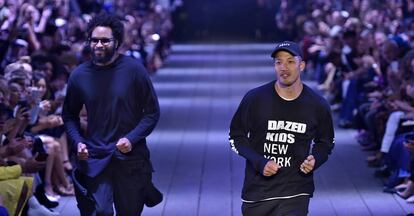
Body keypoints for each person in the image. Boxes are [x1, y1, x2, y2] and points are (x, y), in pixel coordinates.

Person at [62, 13, 161, 216]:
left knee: (129, 211)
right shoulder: (79, 75)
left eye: (105, 41)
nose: (99, 45)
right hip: (95, 155)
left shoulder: (134, 70)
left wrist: (131, 139)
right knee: (101, 211)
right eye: (94, 40)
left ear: (117, 42)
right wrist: (77, 142)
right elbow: (70, 115)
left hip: (129, 156)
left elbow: (151, 112)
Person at [229, 41, 335, 216]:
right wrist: (260, 162)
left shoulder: (317, 105)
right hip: (258, 191)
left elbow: (325, 143)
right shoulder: (255, 99)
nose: (284, 67)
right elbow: (236, 136)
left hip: (296, 189)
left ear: (302, 65)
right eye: (279, 62)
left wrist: (315, 159)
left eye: (290, 61)